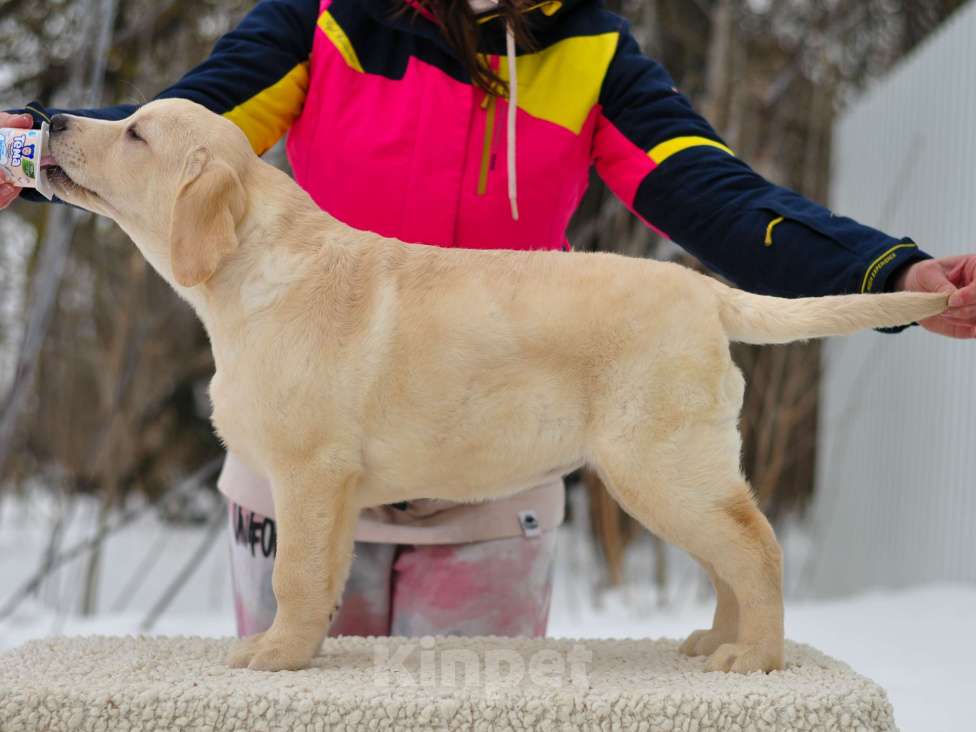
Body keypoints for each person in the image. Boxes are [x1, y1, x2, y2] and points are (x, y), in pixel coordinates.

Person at [2, 0, 974, 639]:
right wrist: (20, 152)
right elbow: (168, 138)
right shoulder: (322, 19)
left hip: (490, 487)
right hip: (294, 466)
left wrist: (891, 270)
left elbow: (713, 196)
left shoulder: (593, 55)